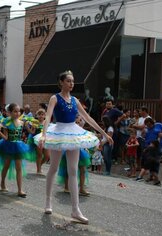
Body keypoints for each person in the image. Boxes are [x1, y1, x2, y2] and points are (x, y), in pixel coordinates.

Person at [35, 70, 113, 224]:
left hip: (73, 133)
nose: (71, 84)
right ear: (61, 82)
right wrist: (44, 134)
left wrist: (104, 133)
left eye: (72, 81)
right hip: (58, 132)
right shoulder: (54, 98)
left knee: (73, 171)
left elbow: (88, 118)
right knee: (54, 168)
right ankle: (48, 202)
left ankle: (75, 210)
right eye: (68, 81)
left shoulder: (75, 100)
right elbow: (49, 116)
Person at [0, 103, 33, 198]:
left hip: (18, 146)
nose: (17, 113)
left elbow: (31, 131)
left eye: (19, 111)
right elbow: (4, 135)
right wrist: (1, 133)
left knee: (19, 168)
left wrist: (31, 126)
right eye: (15, 111)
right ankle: (2, 182)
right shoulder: (6, 122)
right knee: (6, 166)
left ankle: (20, 190)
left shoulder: (22, 122)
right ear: (10, 112)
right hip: (8, 146)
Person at [57, 115, 91, 196]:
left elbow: (82, 140)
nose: (78, 123)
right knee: (68, 169)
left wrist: (85, 148)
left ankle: (82, 188)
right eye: (76, 122)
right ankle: (66, 187)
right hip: (69, 150)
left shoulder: (81, 130)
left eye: (79, 122)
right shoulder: (68, 130)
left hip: (80, 151)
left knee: (82, 169)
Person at [26, 108, 50, 174]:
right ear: (37, 115)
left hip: (45, 140)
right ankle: (38, 170)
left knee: (47, 156)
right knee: (39, 155)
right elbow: (32, 132)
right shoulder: (35, 122)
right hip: (37, 140)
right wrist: (27, 127)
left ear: (45, 115)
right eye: (39, 114)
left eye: (42, 114)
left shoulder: (46, 122)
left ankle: (39, 165)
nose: (41, 116)